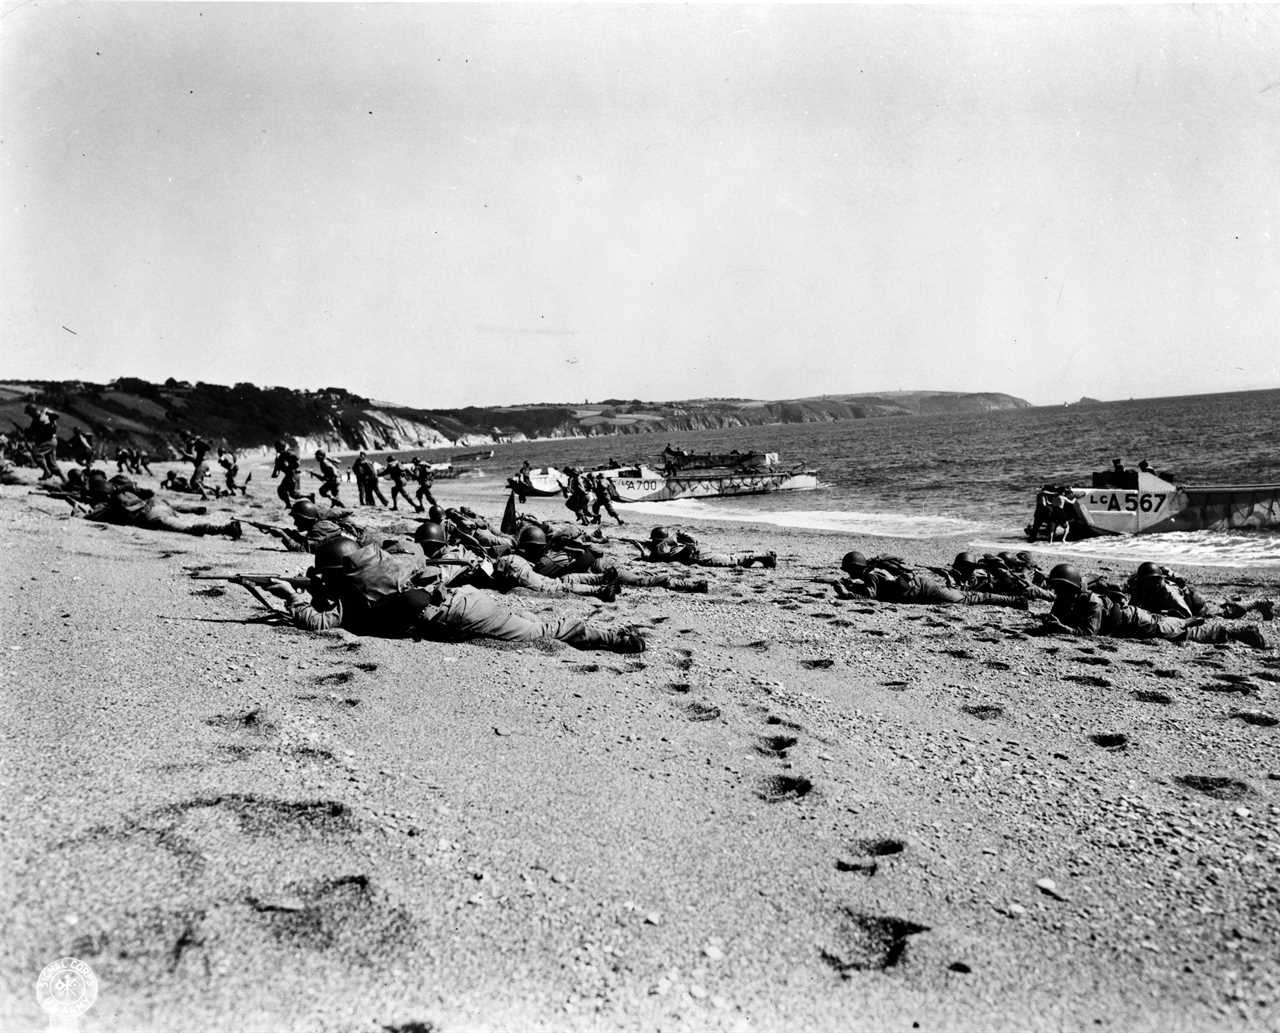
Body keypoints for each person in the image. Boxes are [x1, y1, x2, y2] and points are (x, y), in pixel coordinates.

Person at [266, 537, 646, 653]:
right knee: (535, 625)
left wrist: (290, 596)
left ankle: (615, 638)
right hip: (462, 599)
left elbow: (316, 622)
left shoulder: (355, 598)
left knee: (544, 632)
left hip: (460, 614)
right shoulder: (381, 563)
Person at [1039, 563, 1267, 648]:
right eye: (1059, 589)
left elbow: (1088, 634)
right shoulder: (1067, 599)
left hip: (1141, 623)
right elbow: (1057, 618)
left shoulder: (1092, 602)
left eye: (1063, 589)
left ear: (1074, 589)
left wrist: (1062, 629)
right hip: (1139, 617)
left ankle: (1241, 632)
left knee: (1183, 632)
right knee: (1178, 626)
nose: (1059, 593)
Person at [832, 552, 1028, 609]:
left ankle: (1015, 601)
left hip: (924, 589)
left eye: (849, 572)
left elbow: (870, 596)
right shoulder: (873, 573)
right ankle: (1013, 600)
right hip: (921, 586)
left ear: (855, 569)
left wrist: (847, 594)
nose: (849, 575)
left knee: (969, 599)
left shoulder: (873, 575)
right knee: (968, 595)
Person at [84, 483, 242, 539]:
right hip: (157, 505)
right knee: (173, 507)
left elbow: (88, 516)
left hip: (149, 516)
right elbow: (149, 493)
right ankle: (194, 509)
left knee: (186, 528)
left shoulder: (107, 506)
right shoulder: (127, 492)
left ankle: (224, 529)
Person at [1126, 562, 1274, 622]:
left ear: (1160, 580)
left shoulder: (1169, 592)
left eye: (1154, 580)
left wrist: (1162, 615)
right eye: (1147, 581)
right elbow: (1133, 606)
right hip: (1188, 602)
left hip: (1196, 608)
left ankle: (1258, 603)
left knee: (1229, 611)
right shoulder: (1140, 587)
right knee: (1224, 605)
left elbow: (1187, 616)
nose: (1151, 583)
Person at [632, 527, 776, 569]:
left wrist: (641, 549)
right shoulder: (670, 542)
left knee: (731, 561)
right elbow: (694, 540)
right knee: (728, 557)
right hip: (697, 550)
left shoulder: (660, 549)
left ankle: (764, 556)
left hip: (696, 556)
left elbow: (652, 558)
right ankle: (762, 555)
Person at [950, 552, 1055, 602]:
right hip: (1006, 587)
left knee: (1033, 587)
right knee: (1032, 589)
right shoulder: (973, 576)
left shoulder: (976, 574)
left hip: (1007, 585)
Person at [24, 404, 64, 483]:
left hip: (48, 441)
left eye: (29, 413)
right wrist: (26, 433)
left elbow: (55, 417)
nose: (29, 415)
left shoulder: (44, 416)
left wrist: (45, 416)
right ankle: (65, 480)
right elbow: (31, 432)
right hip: (51, 441)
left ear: (32, 411)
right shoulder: (36, 420)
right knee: (52, 465)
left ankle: (47, 472)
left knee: (36, 453)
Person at [271, 440, 305, 506]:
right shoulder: (280, 456)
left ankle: (289, 505)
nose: (275, 449)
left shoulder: (286, 454)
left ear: (280, 447)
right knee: (289, 493)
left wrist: (291, 467)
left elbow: (297, 459)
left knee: (286, 492)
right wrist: (275, 473)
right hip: (291, 475)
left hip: (292, 475)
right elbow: (277, 469)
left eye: (276, 447)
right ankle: (289, 505)